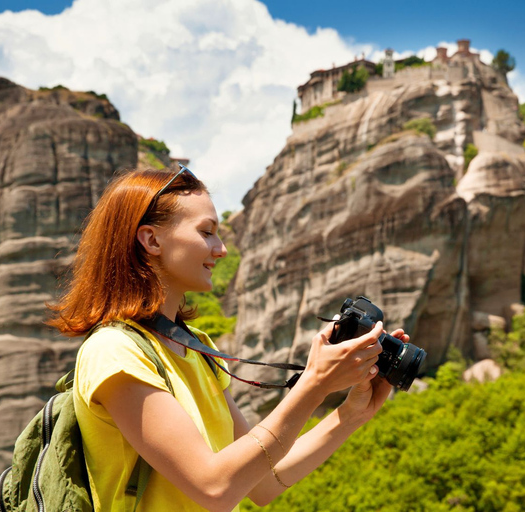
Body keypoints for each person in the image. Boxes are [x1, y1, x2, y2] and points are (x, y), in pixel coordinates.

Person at [47, 167, 409, 512]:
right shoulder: (114, 351)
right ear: (151, 239)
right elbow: (214, 488)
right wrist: (314, 384)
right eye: (206, 232)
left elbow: (263, 482)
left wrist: (350, 416)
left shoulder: (195, 347)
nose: (220, 249)